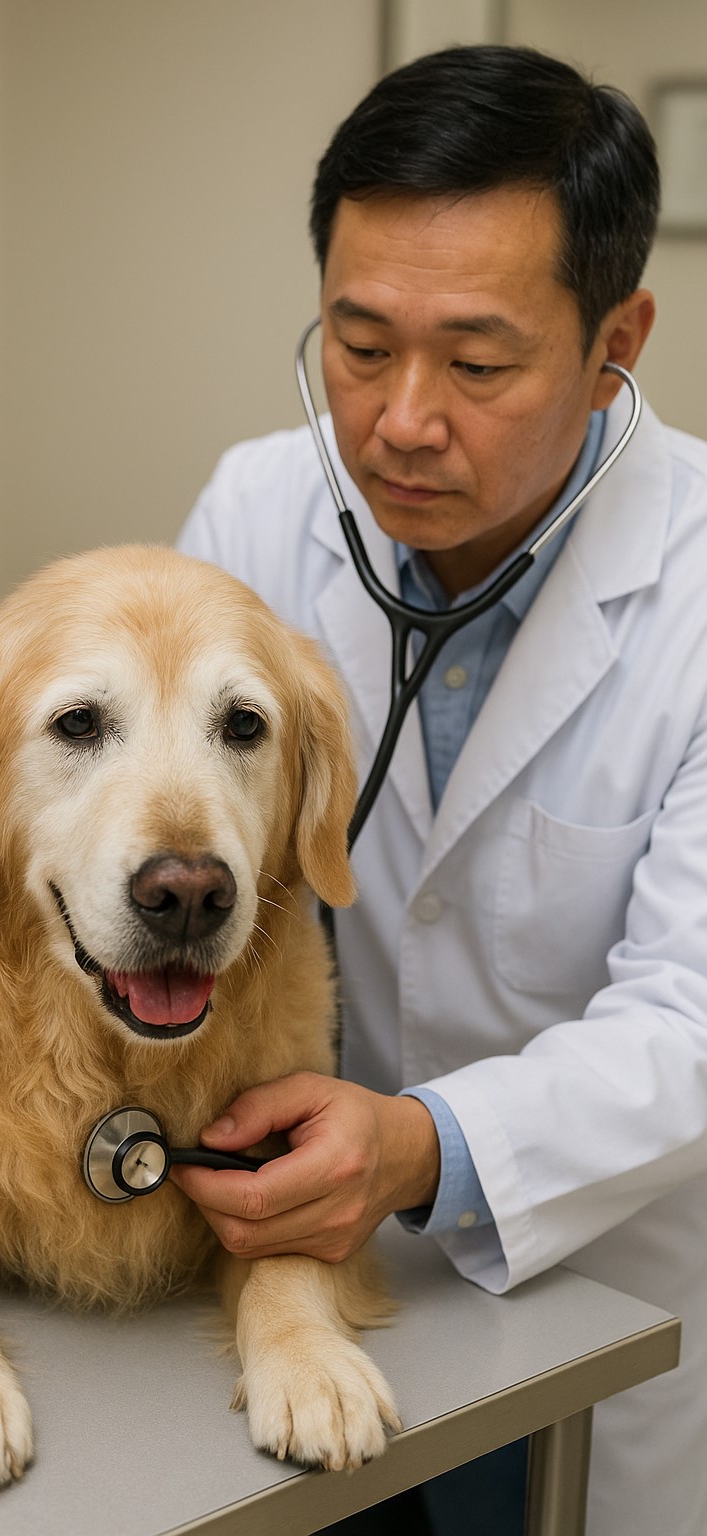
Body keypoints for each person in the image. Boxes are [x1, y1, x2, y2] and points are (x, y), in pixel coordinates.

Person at [174, 45, 707, 1536]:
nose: (402, 422)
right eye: (358, 345)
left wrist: (424, 1144)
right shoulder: (261, 508)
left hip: (610, 1273)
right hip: (304, 1269)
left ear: (618, 342)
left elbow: (692, 1021)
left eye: (478, 364)